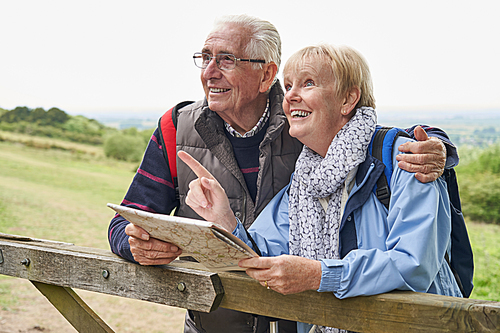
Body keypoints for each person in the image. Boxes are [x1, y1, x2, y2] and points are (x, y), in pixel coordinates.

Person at [108, 15, 454, 333]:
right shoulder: (304, 175)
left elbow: (413, 265)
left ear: (265, 74)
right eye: (205, 57)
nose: (210, 71)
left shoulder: (404, 158)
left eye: (226, 59)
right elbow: (258, 249)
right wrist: (221, 220)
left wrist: (439, 144)